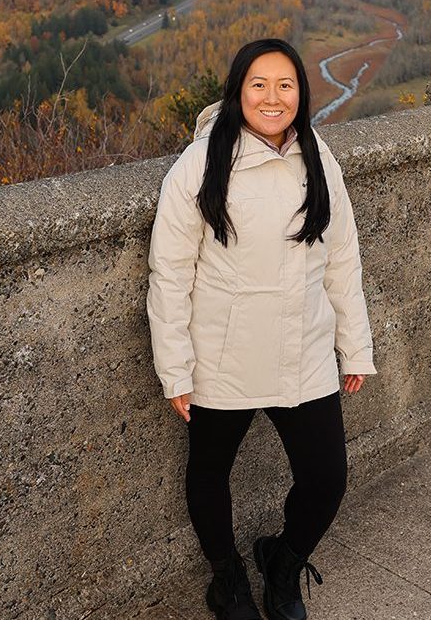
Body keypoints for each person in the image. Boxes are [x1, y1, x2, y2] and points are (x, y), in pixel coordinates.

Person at [147, 38, 376, 620]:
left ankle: (283, 561)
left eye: (285, 85)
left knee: (326, 479)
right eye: (258, 84)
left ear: (301, 93)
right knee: (208, 476)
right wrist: (176, 368)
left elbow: (342, 257)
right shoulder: (201, 164)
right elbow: (170, 273)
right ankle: (228, 580)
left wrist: (354, 347)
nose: (272, 98)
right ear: (236, 91)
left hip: (304, 349)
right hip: (224, 356)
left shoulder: (319, 157)